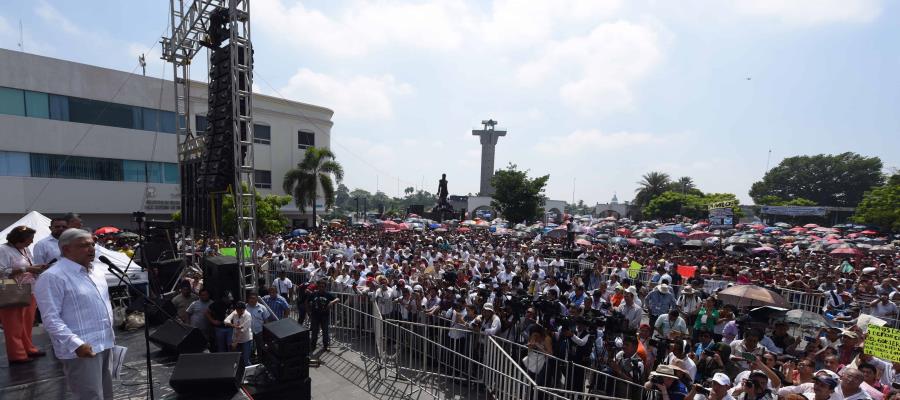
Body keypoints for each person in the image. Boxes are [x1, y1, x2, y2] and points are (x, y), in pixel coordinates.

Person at [34, 229, 115, 399]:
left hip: (105, 342)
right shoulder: (52, 277)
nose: (91, 249)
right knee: (90, 395)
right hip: (81, 349)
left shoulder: (97, 272)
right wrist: (76, 344)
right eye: (84, 245)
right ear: (66, 249)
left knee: (107, 394)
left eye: (92, 244)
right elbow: (50, 319)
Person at [0, 225, 49, 365]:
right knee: (13, 325)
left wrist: (36, 268)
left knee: (27, 323)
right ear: (20, 239)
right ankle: (17, 354)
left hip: (29, 290)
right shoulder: (3, 250)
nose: (31, 242)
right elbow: (2, 271)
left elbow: (28, 266)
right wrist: (26, 268)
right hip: (11, 291)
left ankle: (28, 348)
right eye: (30, 239)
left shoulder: (25, 249)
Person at [306, 280, 339, 351]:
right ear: (318, 287)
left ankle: (325, 345)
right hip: (315, 315)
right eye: (320, 286)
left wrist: (331, 302)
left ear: (325, 287)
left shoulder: (327, 294)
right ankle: (313, 345)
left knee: (325, 331)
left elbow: (337, 299)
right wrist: (308, 312)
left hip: (324, 316)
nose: (321, 288)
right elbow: (307, 302)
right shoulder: (314, 294)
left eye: (323, 287)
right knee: (314, 331)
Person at [246, 292, 276, 359]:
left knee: (260, 346)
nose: (251, 300)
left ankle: (260, 359)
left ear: (257, 299)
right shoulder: (245, 307)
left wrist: (267, 332)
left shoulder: (262, 307)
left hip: (259, 331)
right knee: (249, 347)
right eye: (250, 298)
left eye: (253, 298)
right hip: (248, 332)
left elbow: (266, 320)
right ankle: (251, 359)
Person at [225, 301, 253, 367]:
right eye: (236, 309)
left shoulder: (248, 315)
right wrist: (235, 326)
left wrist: (235, 343)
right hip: (235, 338)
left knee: (246, 360)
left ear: (243, 309)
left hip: (246, 340)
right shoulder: (235, 312)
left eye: (239, 309)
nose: (237, 311)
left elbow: (242, 331)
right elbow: (226, 321)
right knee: (236, 360)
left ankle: (250, 374)